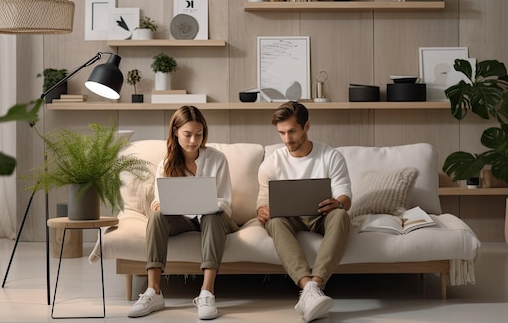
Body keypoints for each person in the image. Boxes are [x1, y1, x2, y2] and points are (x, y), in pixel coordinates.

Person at [128, 106, 239, 320]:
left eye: (199, 134)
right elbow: (161, 200)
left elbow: (225, 201)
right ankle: (154, 291)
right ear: (176, 132)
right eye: (187, 134)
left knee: (211, 214)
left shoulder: (217, 159)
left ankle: (207, 292)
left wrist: (208, 205)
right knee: (157, 216)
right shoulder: (167, 164)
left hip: (215, 219)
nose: (193, 140)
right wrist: (159, 205)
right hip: (184, 220)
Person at [256, 101, 352, 322]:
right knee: (274, 221)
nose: (287, 139)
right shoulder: (271, 163)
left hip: (322, 216)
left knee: (341, 215)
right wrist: (261, 211)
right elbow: (261, 203)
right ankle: (308, 287)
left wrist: (338, 204)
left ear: (306, 126)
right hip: (289, 219)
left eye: (292, 131)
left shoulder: (330, 156)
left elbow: (345, 197)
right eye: (281, 133)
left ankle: (314, 285)